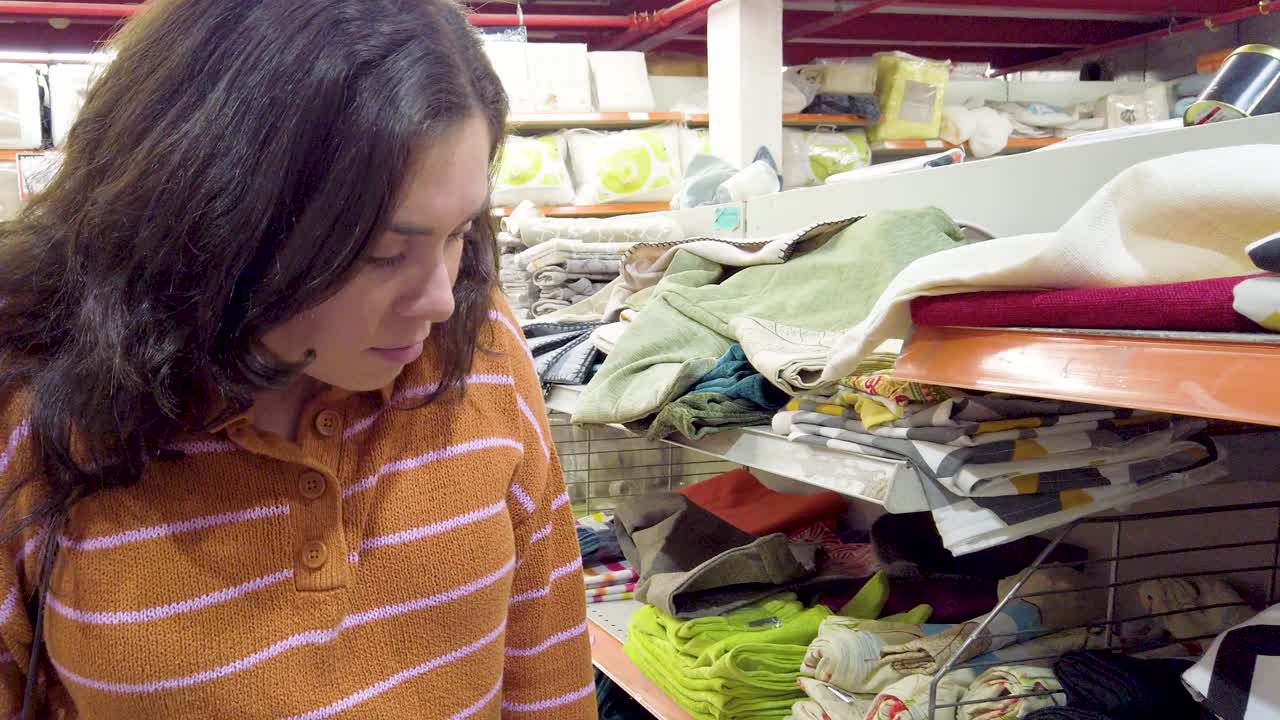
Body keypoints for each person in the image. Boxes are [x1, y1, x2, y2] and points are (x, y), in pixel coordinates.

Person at [0, 0, 595, 717]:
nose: (440, 298)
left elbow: (550, 674)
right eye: (380, 253)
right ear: (214, 215)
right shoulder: (33, 411)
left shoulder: (481, 346)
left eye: (460, 234)